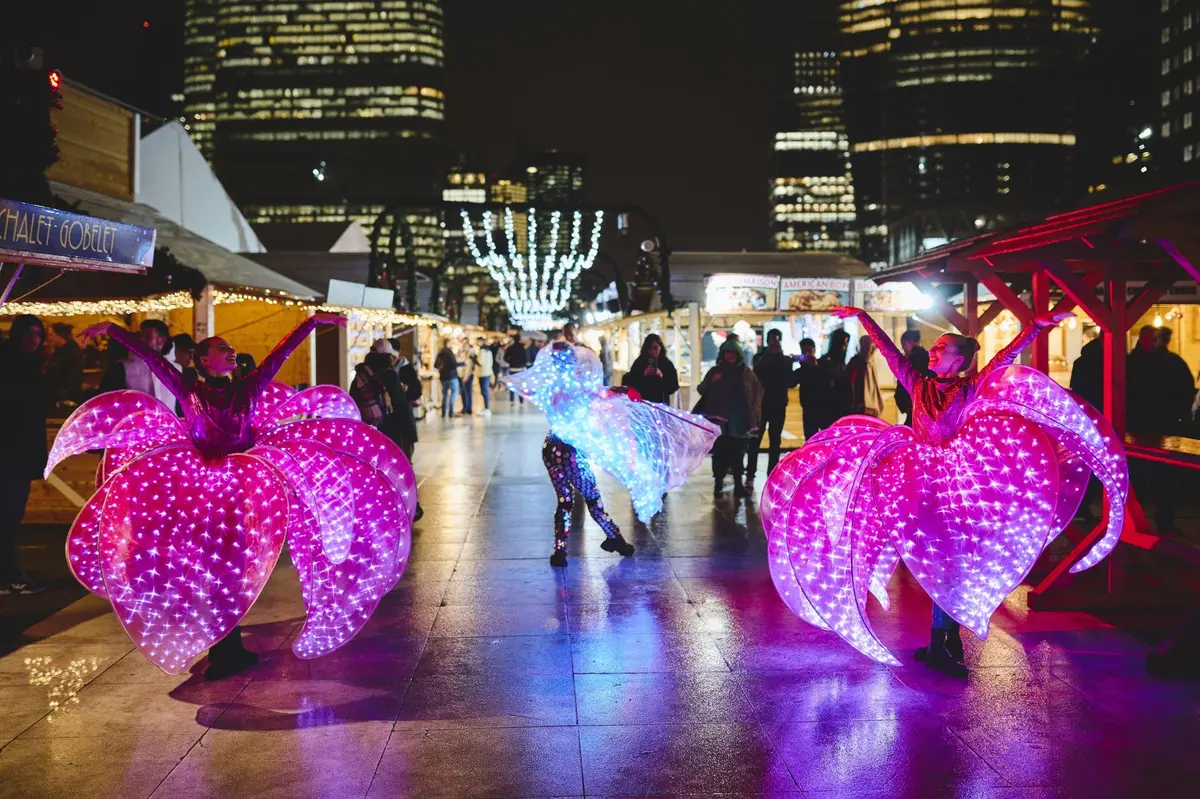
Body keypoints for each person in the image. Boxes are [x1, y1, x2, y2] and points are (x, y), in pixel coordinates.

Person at [761, 306, 1128, 680]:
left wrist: (1033, 327)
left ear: (960, 361)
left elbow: (1005, 357)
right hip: (921, 486)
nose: (932, 353)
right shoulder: (918, 384)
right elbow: (889, 350)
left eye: (941, 349)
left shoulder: (970, 388)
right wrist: (862, 316)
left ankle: (944, 638)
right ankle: (942, 640)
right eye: (933, 348)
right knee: (943, 562)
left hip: (957, 485)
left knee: (950, 563)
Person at [60, 314, 417, 680]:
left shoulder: (246, 389)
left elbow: (280, 353)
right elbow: (153, 360)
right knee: (210, 567)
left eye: (230, 348)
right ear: (202, 361)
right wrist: (112, 330)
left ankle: (228, 643)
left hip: (241, 491)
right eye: (222, 349)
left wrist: (311, 323)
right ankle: (224, 645)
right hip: (202, 491)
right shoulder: (190, 390)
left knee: (233, 566)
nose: (231, 352)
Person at [508, 329, 717, 567]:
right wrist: (620, 393)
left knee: (565, 500)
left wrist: (618, 392)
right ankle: (615, 539)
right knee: (593, 500)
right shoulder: (574, 387)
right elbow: (596, 397)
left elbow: (592, 397)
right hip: (571, 452)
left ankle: (560, 550)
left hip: (551, 448)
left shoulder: (555, 387)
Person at [0, 316, 49, 594]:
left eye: (37, 333)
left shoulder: (27, 364)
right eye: (29, 333)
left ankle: (8, 567)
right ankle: (6, 570)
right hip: (10, 453)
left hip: (18, 453)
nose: (34, 339)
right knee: (7, 514)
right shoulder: (13, 364)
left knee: (11, 514)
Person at [696, 339, 763, 497]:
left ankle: (738, 484)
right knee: (719, 453)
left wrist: (754, 415)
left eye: (733, 354)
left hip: (739, 421)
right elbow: (702, 389)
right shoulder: (715, 371)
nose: (730, 357)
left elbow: (756, 392)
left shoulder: (746, 373)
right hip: (720, 422)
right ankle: (718, 483)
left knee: (738, 453)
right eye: (727, 354)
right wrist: (712, 381)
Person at [747, 329, 800, 482]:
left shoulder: (784, 360)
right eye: (772, 340)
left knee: (775, 441)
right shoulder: (761, 358)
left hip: (778, 404)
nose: (774, 343)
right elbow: (757, 374)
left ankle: (772, 472)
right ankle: (751, 473)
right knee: (755, 440)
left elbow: (790, 381)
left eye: (776, 340)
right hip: (761, 405)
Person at [123, 320, 176, 411]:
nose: (141, 340)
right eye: (140, 336)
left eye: (147, 337)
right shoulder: (124, 367)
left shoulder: (174, 369)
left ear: (161, 341)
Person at [621, 333, 680, 405]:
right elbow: (628, 382)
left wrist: (661, 376)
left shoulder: (666, 363)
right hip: (643, 403)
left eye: (655, 348)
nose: (653, 351)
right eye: (650, 348)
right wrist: (643, 374)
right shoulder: (640, 362)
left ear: (660, 347)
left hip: (661, 404)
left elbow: (673, 387)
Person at [816, 329, 853, 428]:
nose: (844, 347)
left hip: (842, 410)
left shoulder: (842, 364)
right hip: (829, 409)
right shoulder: (825, 362)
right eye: (843, 344)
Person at [45, 322, 84, 406]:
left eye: (51, 335)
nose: (48, 338)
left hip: (64, 398)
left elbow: (70, 377)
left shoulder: (70, 353)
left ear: (60, 336)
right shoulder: (61, 351)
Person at [847, 334, 885, 417]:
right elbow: (850, 382)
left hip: (872, 407)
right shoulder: (855, 362)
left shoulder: (871, 362)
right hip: (858, 406)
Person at [794, 338, 824, 440]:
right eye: (804, 352)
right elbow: (791, 382)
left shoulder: (823, 365)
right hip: (808, 408)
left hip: (823, 408)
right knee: (810, 439)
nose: (807, 355)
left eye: (809, 351)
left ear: (814, 351)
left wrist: (815, 365)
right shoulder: (802, 370)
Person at [893, 330, 922, 425]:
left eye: (904, 344)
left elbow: (901, 390)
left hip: (915, 413)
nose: (903, 348)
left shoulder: (910, 364)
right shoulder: (929, 361)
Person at [434, 341, 461, 418]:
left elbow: (435, 365)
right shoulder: (450, 352)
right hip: (452, 376)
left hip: (443, 377)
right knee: (454, 393)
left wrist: (442, 367)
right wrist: (462, 363)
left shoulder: (440, 353)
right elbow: (454, 364)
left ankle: (443, 412)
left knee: (445, 395)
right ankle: (451, 412)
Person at [504, 336, 528, 404]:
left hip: (512, 368)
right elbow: (525, 359)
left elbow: (505, 357)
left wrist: (510, 361)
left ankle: (512, 400)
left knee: (512, 384)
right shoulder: (522, 348)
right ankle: (521, 401)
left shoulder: (510, 348)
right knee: (520, 385)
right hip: (520, 369)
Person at [473, 338, 493, 415]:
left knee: (484, 391)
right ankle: (486, 408)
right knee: (485, 390)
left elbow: (480, 362)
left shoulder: (482, 350)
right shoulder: (488, 350)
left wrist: (474, 358)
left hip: (483, 373)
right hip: (487, 372)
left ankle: (487, 408)